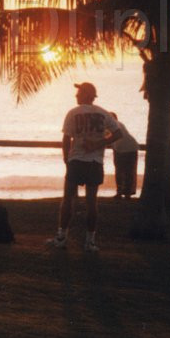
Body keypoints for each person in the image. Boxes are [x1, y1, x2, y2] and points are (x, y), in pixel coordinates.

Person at [48, 82, 117, 252]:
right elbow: (118, 133)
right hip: (95, 163)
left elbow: (66, 139)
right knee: (91, 202)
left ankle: (62, 237)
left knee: (68, 199)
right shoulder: (103, 113)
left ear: (86, 94)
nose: (76, 96)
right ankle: (90, 241)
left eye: (78, 93)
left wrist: (66, 159)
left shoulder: (73, 113)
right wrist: (100, 143)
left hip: (76, 161)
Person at [110, 111, 140, 199]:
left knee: (123, 171)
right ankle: (126, 193)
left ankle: (123, 192)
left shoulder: (113, 125)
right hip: (126, 148)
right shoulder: (118, 124)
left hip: (126, 148)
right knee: (127, 171)